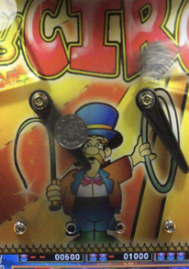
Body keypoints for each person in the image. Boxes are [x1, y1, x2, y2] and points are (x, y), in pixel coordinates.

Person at [46, 102, 155, 244]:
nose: (92, 150)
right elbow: (60, 193)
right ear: (78, 151)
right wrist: (55, 194)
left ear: (106, 151)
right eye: (87, 145)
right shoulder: (72, 178)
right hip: (80, 222)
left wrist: (136, 156)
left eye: (98, 145)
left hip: (106, 220)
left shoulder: (110, 174)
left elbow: (126, 164)